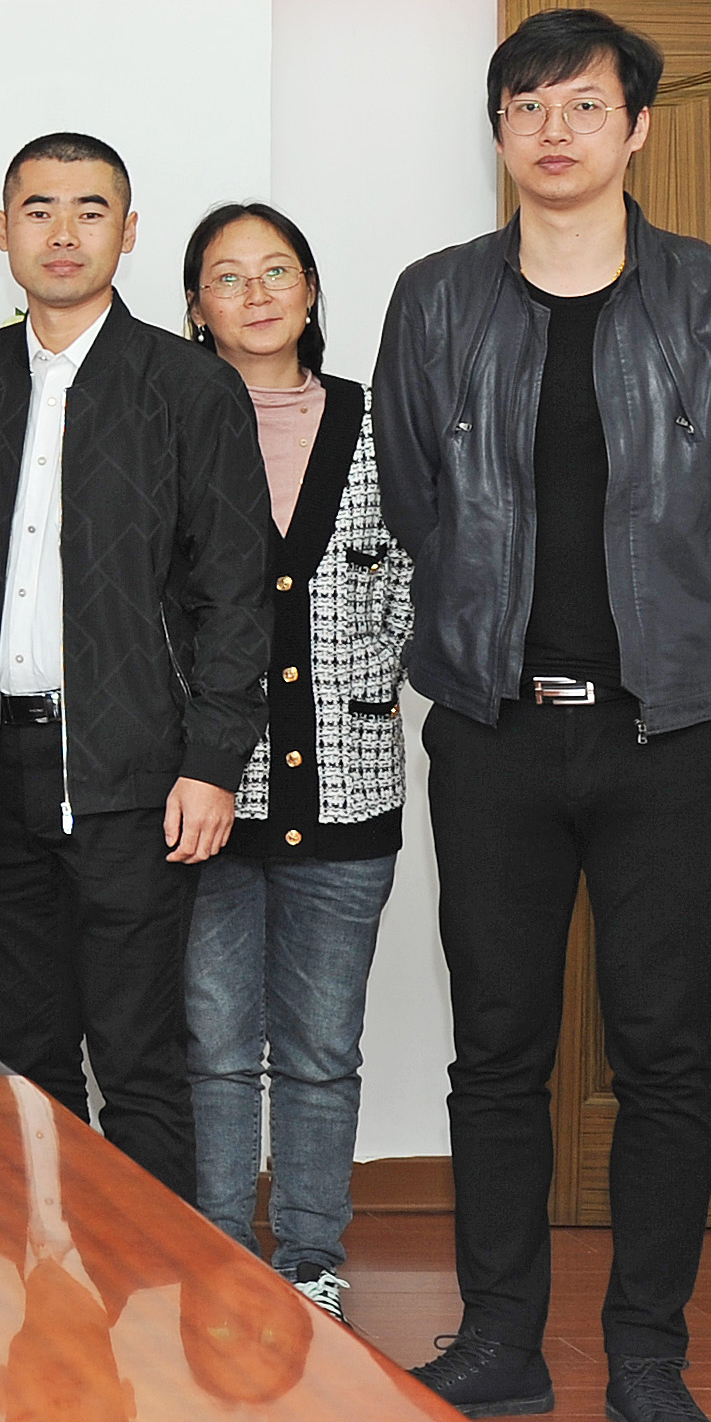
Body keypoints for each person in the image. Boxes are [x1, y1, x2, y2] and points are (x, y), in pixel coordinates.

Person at [380, 10, 711, 1422]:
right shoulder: (437, 299)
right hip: (494, 730)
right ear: (497, 133)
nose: (551, 131)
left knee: (662, 1051)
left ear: (636, 130)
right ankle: (499, 1341)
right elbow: (418, 498)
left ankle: (648, 1358)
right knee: (495, 1049)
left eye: (582, 105)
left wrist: (667, 624)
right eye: (525, 106)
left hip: (667, 734)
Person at [0, 132, 271, 1199]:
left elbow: (234, 592)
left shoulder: (188, 388)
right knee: (21, 1060)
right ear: (3, 231)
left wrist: (213, 762)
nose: (63, 232)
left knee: (139, 1062)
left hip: (133, 775)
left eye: (90, 210)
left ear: (128, 233)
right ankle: (40, 1281)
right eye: (38, 209)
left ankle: (147, 1290)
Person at [175, 202, 410, 1326]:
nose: (257, 293)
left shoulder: (377, 422)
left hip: (350, 785)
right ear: (195, 307)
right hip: (205, 797)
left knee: (320, 1049)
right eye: (228, 277)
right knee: (215, 1047)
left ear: (311, 291)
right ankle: (217, 1249)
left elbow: (418, 568)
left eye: (279, 271)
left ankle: (312, 1255)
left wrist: (369, 666)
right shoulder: (172, 421)